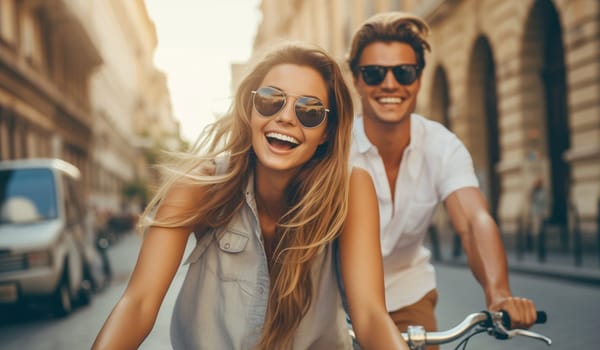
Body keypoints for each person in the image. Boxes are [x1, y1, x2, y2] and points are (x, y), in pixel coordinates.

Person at [92, 42, 407, 350]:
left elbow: (370, 317)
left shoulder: (351, 187)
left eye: (309, 111)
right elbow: (139, 303)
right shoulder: (200, 186)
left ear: (326, 132)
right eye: (271, 100)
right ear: (250, 109)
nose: (286, 117)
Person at [346, 11, 538, 347]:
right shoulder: (334, 147)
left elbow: (473, 221)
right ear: (356, 80)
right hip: (334, 298)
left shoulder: (442, 145)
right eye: (374, 73)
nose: (390, 84)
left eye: (404, 72)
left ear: (419, 79)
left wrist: (499, 294)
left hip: (408, 295)